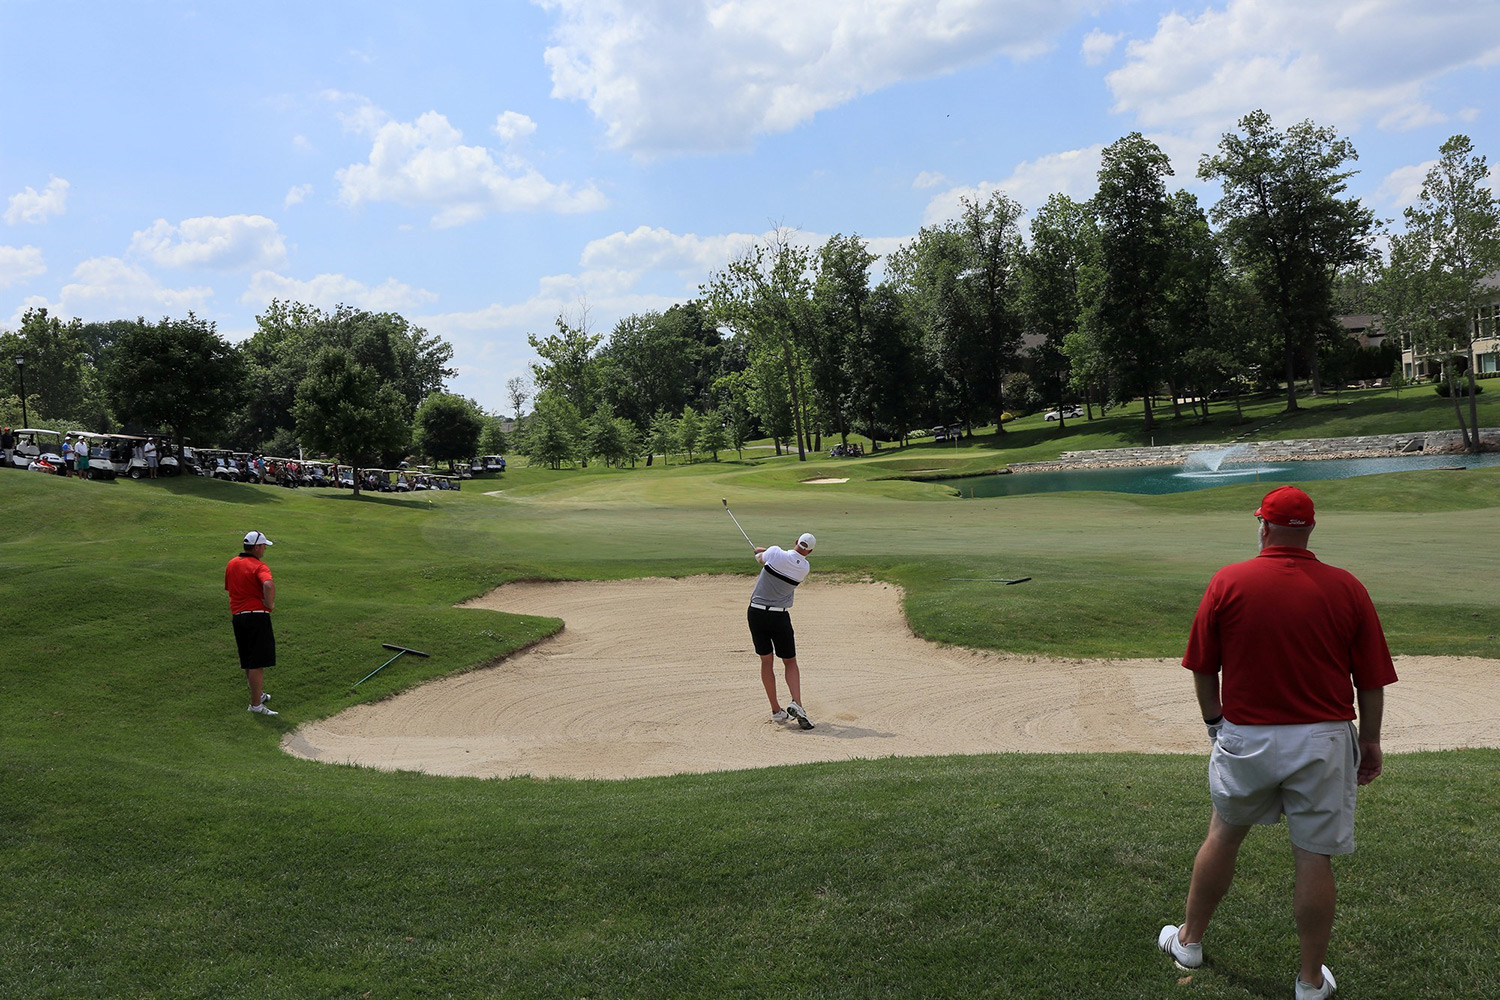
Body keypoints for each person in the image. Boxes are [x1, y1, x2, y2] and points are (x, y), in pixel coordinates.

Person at [1158, 486, 1397, 1000]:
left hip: (1246, 736)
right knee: (1313, 856)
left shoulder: (1229, 581)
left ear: (1263, 526)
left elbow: (1202, 665)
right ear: (1310, 528)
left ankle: (1190, 942)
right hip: (1325, 739)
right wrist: (1371, 743)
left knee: (1224, 834)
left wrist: (1214, 724)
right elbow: (1371, 680)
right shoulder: (1346, 587)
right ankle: (1310, 982)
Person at [747, 532, 818, 729]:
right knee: (790, 662)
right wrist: (767, 551)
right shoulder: (804, 568)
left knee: (766, 661)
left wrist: (762, 551)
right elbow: (780, 560)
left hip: (756, 613)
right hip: (779, 616)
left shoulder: (775, 552)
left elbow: (760, 558)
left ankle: (776, 711)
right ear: (809, 551)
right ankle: (798, 704)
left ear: (796, 542)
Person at [226, 530, 279, 716]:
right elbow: (268, 585)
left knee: (248, 660)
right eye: (264, 546)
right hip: (256, 616)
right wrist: (270, 603)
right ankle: (256, 705)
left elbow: (230, 589)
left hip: (239, 617)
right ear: (256, 547)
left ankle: (258, 695)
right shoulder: (259, 566)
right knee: (257, 662)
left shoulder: (232, 563)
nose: (265, 549)